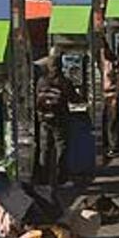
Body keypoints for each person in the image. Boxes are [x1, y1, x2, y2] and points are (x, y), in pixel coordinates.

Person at [36, 54, 81, 185]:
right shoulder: (64, 81)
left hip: (44, 119)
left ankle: (44, 179)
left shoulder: (41, 80)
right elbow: (73, 98)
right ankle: (62, 178)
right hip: (60, 118)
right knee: (62, 147)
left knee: (44, 149)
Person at [101, 38, 119, 160]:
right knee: (105, 121)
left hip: (112, 94)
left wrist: (117, 96)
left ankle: (114, 146)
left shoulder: (113, 62)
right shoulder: (98, 61)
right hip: (103, 95)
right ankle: (106, 145)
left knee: (112, 122)